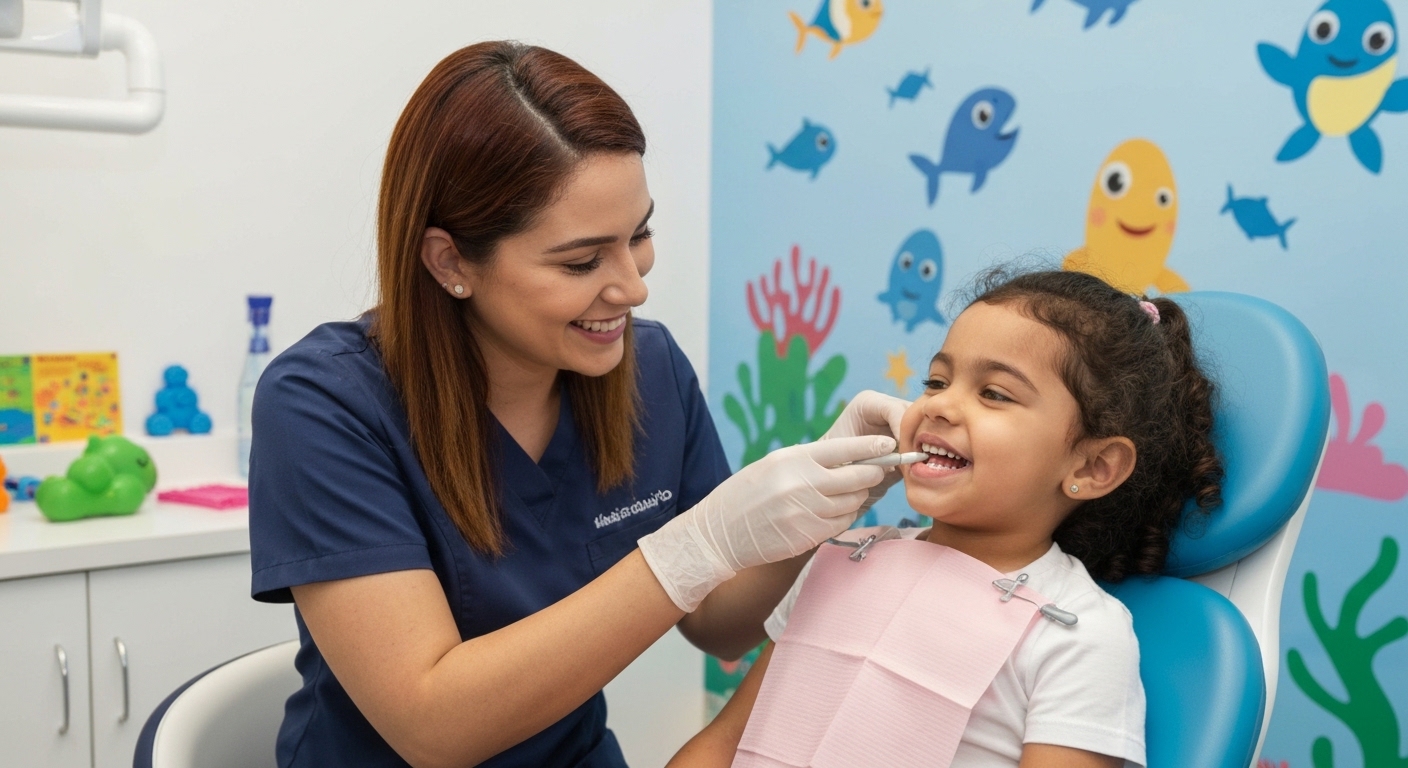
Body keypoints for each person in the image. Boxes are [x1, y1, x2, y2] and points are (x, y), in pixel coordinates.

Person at [247, 41, 908, 768]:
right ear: (450, 262)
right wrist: (696, 547)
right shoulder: (325, 406)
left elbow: (719, 626)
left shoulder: (648, 369)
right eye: (581, 261)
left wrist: (826, 500)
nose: (632, 286)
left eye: (641, 234)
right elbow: (433, 726)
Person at [669, 268, 1224, 768]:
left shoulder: (1078, 636)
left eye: (995, 394)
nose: (937, 405)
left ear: (1095, 465)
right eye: (936, 381)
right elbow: (724, 743)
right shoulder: (843, 554)